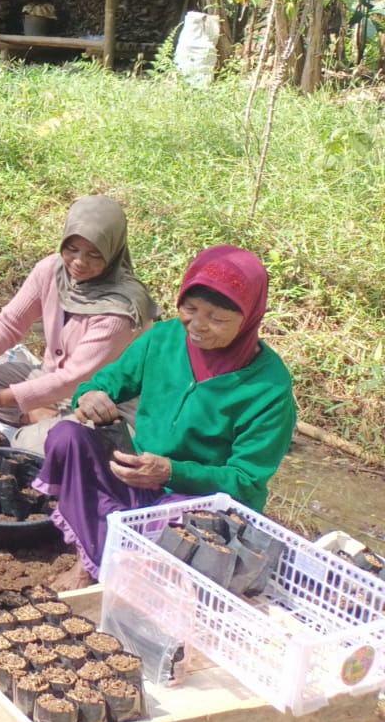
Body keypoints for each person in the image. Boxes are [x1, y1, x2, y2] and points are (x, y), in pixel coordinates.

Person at [34, 245, 298, 589]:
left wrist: (172, 471)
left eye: (217, 319)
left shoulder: (268, 388)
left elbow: (246, 482)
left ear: (248, 319)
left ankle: (122, 574)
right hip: (138, 475)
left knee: (179, 542)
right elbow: (106, 382)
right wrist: (91, 395)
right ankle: (88, 561)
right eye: (190, 309)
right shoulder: (163, 339)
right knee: (67, 437)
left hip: (193, 503)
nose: (198, 326)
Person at [0, 196, 157, 454]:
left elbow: (72, 380)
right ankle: (37, 414)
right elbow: (10, 322)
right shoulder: (51, 271)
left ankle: (37, 420)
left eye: (94, 254)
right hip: (53, 384)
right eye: (72, 249)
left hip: (101, 404)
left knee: (27, 445)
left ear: (112, 252)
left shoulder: (122, 309)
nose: (79, 262)